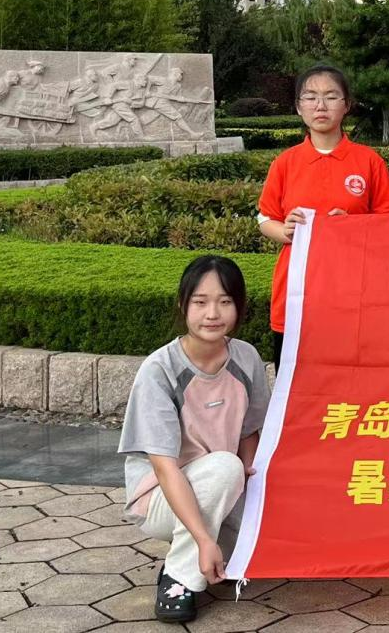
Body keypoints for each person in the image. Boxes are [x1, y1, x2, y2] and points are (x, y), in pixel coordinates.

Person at [118, 255, 271, 623]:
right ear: (183, 305)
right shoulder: (160, 370)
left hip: (224, 484)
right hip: (161, 496)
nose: (212, 313)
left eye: (225, 301)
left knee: (260, 524)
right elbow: (165, 469)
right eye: (200, 302)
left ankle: (210, 548)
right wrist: (203, 540)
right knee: (225, 468)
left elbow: (250, 432)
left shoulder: (246, 357)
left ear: (239, 306)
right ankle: (179, 577)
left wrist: (252, 496)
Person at [258, 65, 389, 368]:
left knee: (351, 379)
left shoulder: (369, 161)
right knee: (295, 380)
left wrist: (354, 226)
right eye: (310, 97)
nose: (320, 105)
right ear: (299, 107)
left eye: (331, 96)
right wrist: (285, 231)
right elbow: (265, 219)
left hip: (354, 290)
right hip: (297, 290)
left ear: (347, 104)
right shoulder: (285, 163)